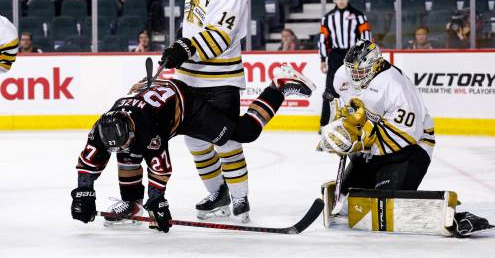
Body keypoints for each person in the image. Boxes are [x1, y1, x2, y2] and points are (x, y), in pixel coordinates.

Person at [70, 64, 316, 231]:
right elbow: (88, 162)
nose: (122, 146)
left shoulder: (146, 129)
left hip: (187, 108)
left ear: (131, 129)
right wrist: (83, 192)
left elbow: (160, 169)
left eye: (127, 139)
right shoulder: (103, 128)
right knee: (128, 153)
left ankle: (279, 86)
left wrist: (157, 202)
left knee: (245, 133)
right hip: (159, 106)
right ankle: (132, 202)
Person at [158, 0, 253, 223]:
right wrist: (179, 41)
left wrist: (186, 48)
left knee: (225, 141)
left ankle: (240, 198)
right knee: (195, 142)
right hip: (190, 79)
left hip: (220, 79)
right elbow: (193, 21)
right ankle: (217, 193)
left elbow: (221, 36)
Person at [318, 40, 435, 216]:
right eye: (352, 71)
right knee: (349, 204)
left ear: (376, 65)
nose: (354, 77)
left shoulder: (395, 86)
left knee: (387, 208)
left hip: (409, 149)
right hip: (371, 149)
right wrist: (340, 131)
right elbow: (347, 112)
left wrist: (360, 141)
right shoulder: (343, 75)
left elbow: (407, 134)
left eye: (361, 72)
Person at [318, 0, 371, 133]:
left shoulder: (359, 16)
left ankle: (362, 121)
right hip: (335, 55)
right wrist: (323, 59)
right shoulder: (328, 18)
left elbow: (366, 37)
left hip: (353, 54)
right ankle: (325, 124)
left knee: (359, 89)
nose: (341, 1)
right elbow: (324, 39)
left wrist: (364, 57)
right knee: (330, 89)